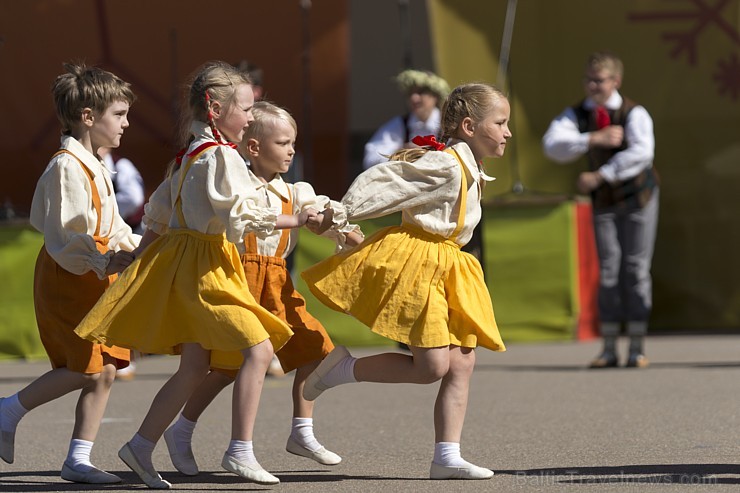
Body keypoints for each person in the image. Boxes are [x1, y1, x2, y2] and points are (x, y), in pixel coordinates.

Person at [74, 61, 318, 488]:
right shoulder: (221, 156)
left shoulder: (191, 154)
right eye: (244, 108)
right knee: (259, 350)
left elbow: (159, 216)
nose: (249, 115)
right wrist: (296, 218)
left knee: (195, 365)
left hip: (192, 260)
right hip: (206, 264)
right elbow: (246, 212)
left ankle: (142, 444)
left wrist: (139, 260)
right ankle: (239, 450)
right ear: (216, 109)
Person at [301, 83, 511, 480]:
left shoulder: (468, 166)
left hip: (452, 265)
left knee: (462, 363)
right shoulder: (445, 163)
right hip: (422, 262)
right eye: (500, 123)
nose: (507, 132)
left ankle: (446, 457)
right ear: (469, 126)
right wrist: (341, 212)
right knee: (432, 366)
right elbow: (387, 181)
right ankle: (343, 368)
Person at [162, 101, 363, 476]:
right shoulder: (238, 187)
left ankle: (301, 432)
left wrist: (346, 231)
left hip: (278, 281)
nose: (291, 150)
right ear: (253, 148)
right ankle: (184, 430)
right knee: (225, 368)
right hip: (240, 279)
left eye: (293, 143)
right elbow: (232, 219)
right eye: (283, 142)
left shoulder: (296, 190)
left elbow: (320, 216)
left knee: (316, 349)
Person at [0, 63, 139, 484]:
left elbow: (112, 226)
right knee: (87, 367)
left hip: (94, 271)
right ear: (88, 117)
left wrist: (139, 248)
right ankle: (8, 409)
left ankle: (78, 458)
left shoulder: (96, 163)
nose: (126, 123)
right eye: (119, 114)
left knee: (108, 366)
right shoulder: (66, 165)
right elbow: (67, 234)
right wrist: (101, 260)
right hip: (72, 274)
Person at [542, 51, 659, 369]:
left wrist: (601, 175)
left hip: (639, 199)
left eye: (599, 80)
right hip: (604, 203)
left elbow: (642, 153)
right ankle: (609, 347)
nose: (592, 85)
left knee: (635, 270)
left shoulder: (634, 113)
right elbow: (552, 145)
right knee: (608, 271)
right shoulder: (578, 114)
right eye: (588, 79)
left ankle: (636, 346)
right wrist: (593, 137)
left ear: (615, 81)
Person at [362, 69, 450, 170]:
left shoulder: (448, 124)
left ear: (435, 96)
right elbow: (370, 159)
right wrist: (400, 152)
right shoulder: (399, 125)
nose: (414, 98)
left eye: (421, 92)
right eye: (410, 93)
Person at [98, 147, 146, 234]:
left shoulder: (121, 165)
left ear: (107, 148)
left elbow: (133, 199)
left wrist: (103, 214)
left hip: (135, 231)